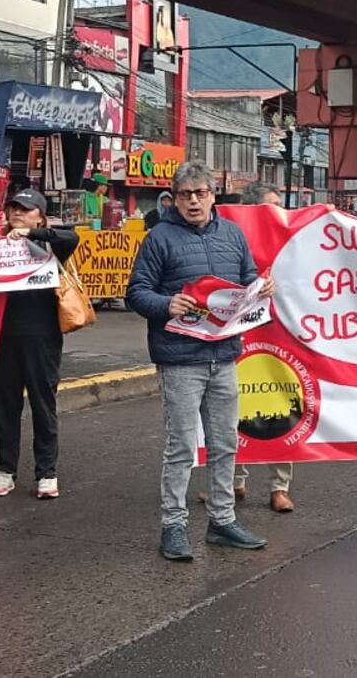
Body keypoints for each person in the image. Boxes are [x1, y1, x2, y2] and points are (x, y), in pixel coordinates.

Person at [127, 162, 270, 561]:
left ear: (212, 195)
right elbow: (136, 292)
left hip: (223, 356)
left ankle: (222, 521)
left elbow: (246, 282)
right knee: (181, 447)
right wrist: (165, 304)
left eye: (200, 193)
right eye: (186, 194)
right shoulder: (159, 239)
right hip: (179, 360)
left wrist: (261, 287)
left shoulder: (232, 235)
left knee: (225, 443)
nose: (194, 200)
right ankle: (173, 526)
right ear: (174, 198)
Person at [0, 189, 78, 499]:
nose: (17, 214)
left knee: (43, 403)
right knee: (4, 405)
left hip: (42, 335)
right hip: (1, 336)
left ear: (39, 215)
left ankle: (46, 472)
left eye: (25, 209)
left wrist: (31, 233)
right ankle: (5, 469)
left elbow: (71, 238)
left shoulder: (48, 243)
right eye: (13, 208)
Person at [234, 183, 296, 514]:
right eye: (271, 206)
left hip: (280, 338)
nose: (279, 211)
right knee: (233, 409)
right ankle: (233, 482)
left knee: (281, 406)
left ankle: (279, 487)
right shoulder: (232, 238)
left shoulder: (293, 240)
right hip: (241, 336)